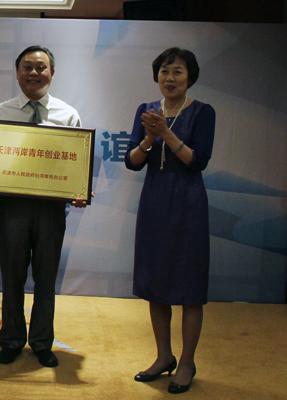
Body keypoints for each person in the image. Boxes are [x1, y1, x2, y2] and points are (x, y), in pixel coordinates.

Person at [0, 46, 88, 368]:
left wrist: (79, 189)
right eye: (27, 67)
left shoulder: (68, 115)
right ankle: (11, 340)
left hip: (51, 208)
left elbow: (77, 163)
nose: (34, 73)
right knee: (11, 275)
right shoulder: (1, 112)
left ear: (52, 73)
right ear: (17, 73)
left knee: (46, 277)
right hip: (13, 207)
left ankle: (41, 342)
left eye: (41, 67)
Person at [125, 47, 215, 394]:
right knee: (155, 283)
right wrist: (150, 137)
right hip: (154, 202)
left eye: (178, 71)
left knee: (189, 287)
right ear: (156, 75)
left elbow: (197, 161)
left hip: (188, 203)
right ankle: (164, 356)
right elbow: (132, 162)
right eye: (164, 71)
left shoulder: (203, 112)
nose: (170, 78)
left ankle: (187, 361)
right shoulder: (146, 111)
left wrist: (166, 133)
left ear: (189, 76)